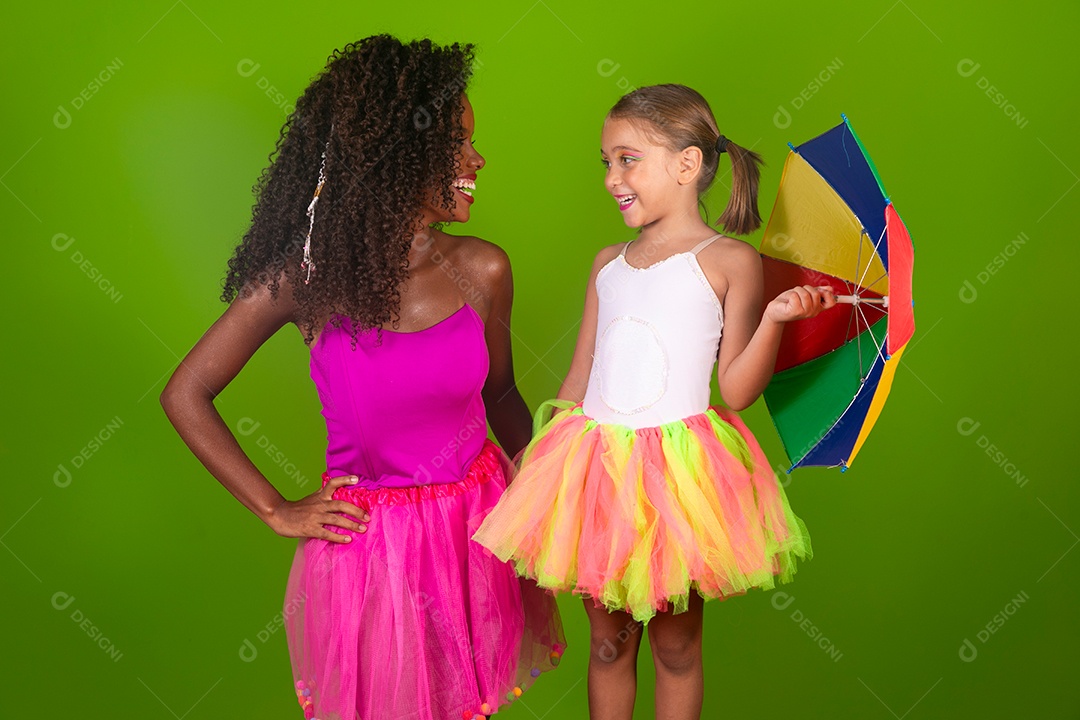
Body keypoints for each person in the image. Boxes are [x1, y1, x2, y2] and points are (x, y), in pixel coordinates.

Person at [160, 35, 563, 720]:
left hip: (476, 530)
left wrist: (539, 487)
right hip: (374, 550)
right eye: (459, 143)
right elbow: (186, 392)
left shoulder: (486, 270)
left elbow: (501, 394)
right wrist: (275, 507)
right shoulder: (305, 281)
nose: (477, 160)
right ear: (398, 154)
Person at [473, 83, 836, 719]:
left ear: (687, 165)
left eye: (628, 158)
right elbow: (579, 377)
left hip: (680, 480)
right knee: (609, 647)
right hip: (596, 470)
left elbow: (737, 392)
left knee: (676, 648)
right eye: (607, 162)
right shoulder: (607, 263)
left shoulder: (729, 260)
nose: (613, 177)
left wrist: (775, 320)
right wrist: (538, 466)